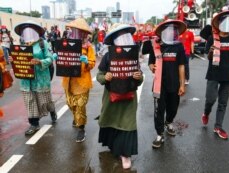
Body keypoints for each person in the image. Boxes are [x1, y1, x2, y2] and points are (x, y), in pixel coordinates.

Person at [96, 23, 143, 169]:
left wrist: (138, 76)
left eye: (126, 36)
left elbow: (140, 79)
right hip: (112, 97)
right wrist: (106, 77)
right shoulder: (108, 56)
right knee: (112, 121)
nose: (124, 41)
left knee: (127, 124)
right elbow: (99, 75)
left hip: (129, 98)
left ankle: (126, 154)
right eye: (120, 37)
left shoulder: (133, 56)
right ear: (114, 40)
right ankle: (114, 147)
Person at [201, 10, 229, 139]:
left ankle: (218, 126)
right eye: (226, 20)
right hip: (213, 74)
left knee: (223, 103)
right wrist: (211, 52)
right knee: (211, 99)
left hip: (227, 76)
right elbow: (208, 56)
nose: (228, 23)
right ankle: (206, 113)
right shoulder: (212, 38)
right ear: (219, 23)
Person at [10, 20, 57, 135]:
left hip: (41, 79)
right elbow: (18, 62)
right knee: (30, 101)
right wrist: (13, 60)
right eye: (25, 31)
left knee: (45, 101)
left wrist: (39, 61)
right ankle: (34, 124)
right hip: (26, 80)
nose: (28, 33)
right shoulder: (21, 46)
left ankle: (52, 110)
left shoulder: (43, 44)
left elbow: (50, 58)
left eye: (30, 30)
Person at [148, 19, 186, 149]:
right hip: (159, 84)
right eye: (167, 30)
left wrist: (182, 84)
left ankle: (169, 122)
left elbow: (181, 66)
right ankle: (159, 134)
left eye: (173, 30)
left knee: (173, 108)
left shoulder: (179, 47)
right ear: (162, 32)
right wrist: (151, 67)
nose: (170, 32)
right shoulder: (156, 46)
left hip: (174, 83)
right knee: (159, 110)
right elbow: (150, 63)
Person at [60, 18, 96, 143]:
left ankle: (81, 128)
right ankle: (76, 118)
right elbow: (62, 58)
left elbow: (92, 62)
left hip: (82, 81)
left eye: (79, 32)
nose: (76, 34)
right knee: (70, 104)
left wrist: (86, 62)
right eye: (75, 31)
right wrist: (57, 57)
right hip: (68, 80)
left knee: (80, 105)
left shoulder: (88, 47)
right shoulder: (66, 44)